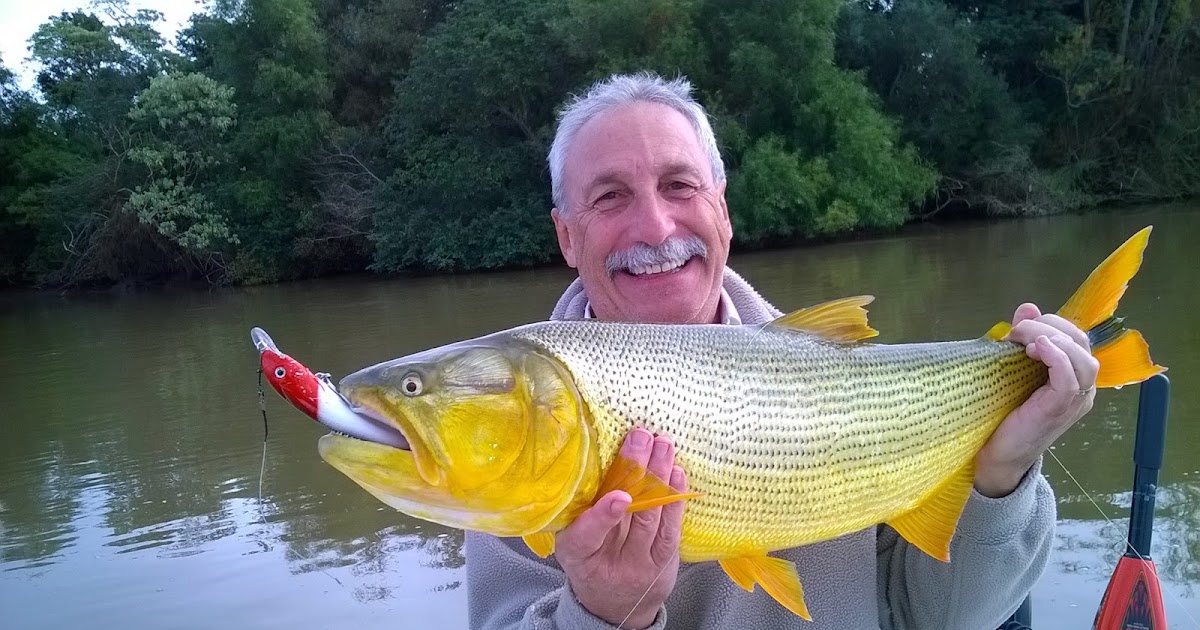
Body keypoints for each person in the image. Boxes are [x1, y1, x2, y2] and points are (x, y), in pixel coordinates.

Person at [465, 72, 1098, 630]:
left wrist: (1001, 475)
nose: (655, 227)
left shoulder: (850, 390)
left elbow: (934, 618)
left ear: (722, 209)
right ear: (566, 236)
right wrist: (602, 615)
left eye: (679, 185)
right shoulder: (523, 429)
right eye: (610, 197)